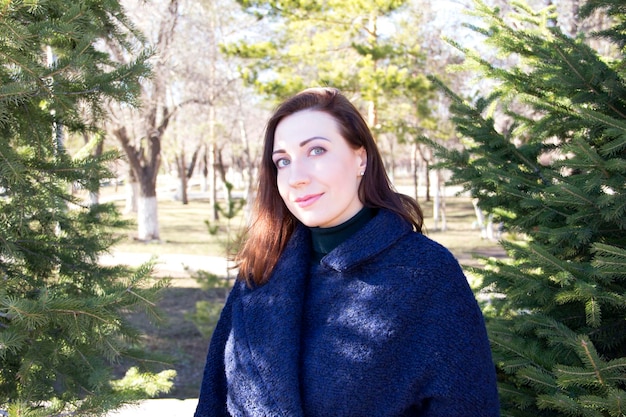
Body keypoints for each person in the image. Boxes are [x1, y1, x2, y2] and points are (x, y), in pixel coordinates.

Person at [194, 87, 500, 416]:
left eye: (316, 151)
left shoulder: (426, 273)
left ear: (361, 158)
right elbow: (214, 400)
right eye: (282, 161)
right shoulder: (262, 270)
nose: (296, 178)